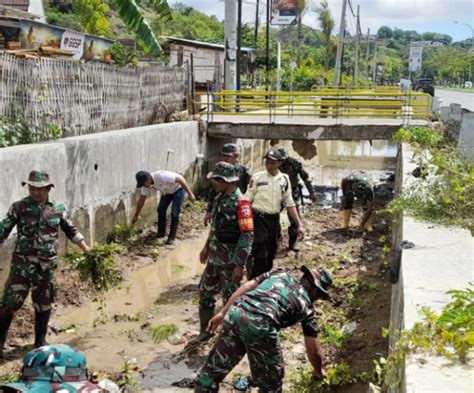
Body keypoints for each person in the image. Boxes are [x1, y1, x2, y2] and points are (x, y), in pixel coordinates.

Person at [194, 266, 333, 393]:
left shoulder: (279, 274)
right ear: (316, 291)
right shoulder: (307, 308)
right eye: (319, 296)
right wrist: (318, 371)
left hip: (237, 313)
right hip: (261, 326)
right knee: (271, 385)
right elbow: (313, 349)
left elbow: (248, 286)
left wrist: (223, 312)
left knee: (210, 374)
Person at [0, 171, 90, 357]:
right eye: (32, 188)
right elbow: (3, 229)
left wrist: (88, 251)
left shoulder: (56, 209)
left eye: (39, 189)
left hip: (46, 267)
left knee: (44, 303)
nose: (35, 192)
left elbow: (70, 230)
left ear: (48, 188)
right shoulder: (19, 207)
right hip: (22, 267)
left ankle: (40, 341)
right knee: (9, 302)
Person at [197, 162, 254, 342]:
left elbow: (247, 235)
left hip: (230, 262)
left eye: (217, 180)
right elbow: (215, 227)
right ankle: (205, 331)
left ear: (226, 180)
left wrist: (240, 264)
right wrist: (206, 247)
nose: (214, 183)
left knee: (231, 300)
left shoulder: (242, 204)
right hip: (214, 259)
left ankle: (230, 338)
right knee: (205, 293)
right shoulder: (218, 198)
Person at [244, 148, 304, 279]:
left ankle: (263, 279)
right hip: (258, 219)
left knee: (271, 252)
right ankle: (253, 282)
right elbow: (246, 199)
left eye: (273, 163)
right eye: (267, 162)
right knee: (260, 253)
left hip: (274, 221)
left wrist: (299, 224)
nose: (269, 165)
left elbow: (290, 203)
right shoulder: (257, 177)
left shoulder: (284, 179)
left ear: (280, 163)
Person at [132, 169, 196, 245]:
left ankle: (172, 237)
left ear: (148, 179)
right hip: (167, 192)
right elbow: (141, 200)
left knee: (175, 213)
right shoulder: (145, 185)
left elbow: (180, 179)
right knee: (161, 210)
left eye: (144, 184)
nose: (144, 186)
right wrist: (136, 215)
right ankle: (161, 233)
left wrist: (190, 194)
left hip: (178, 189)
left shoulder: (161, 176)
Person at [277, 147, 316, 251]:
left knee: (294, 218)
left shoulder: (295, 164)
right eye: (279, 160)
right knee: (273, 214)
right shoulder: (273, 163)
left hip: (292, 192)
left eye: (283, 160)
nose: (281, 162)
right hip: (277, 192)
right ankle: (277, 237)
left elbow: (305, 177)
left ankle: (292, 243)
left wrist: (311, 192)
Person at [204, 144, 251, 227]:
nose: (225, 158)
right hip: (221, 204)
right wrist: (209, 211)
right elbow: (212, 191)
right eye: (223, 156)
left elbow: (248, 188)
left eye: (228, 156)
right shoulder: (220, 170)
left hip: (236, 205)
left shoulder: (243, 170)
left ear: (236, 156)